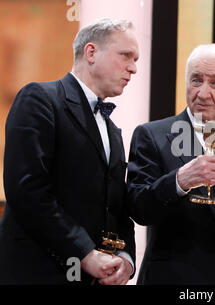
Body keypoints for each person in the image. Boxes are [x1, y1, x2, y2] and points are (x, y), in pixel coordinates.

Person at [0, 18, 139, 285]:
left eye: (136, 60)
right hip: (36, 272)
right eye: (126, 56)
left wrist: (125, 258)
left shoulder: (113, 131)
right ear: (91, 53)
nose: (133, 68)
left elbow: (117, 205)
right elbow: (27, 190)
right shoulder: (39, 99)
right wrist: (84, 252)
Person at [127, 44, 215, 285]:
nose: (203, 93)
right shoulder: (151, 135)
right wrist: (178, 181)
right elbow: (138, 208)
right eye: (196, 80)